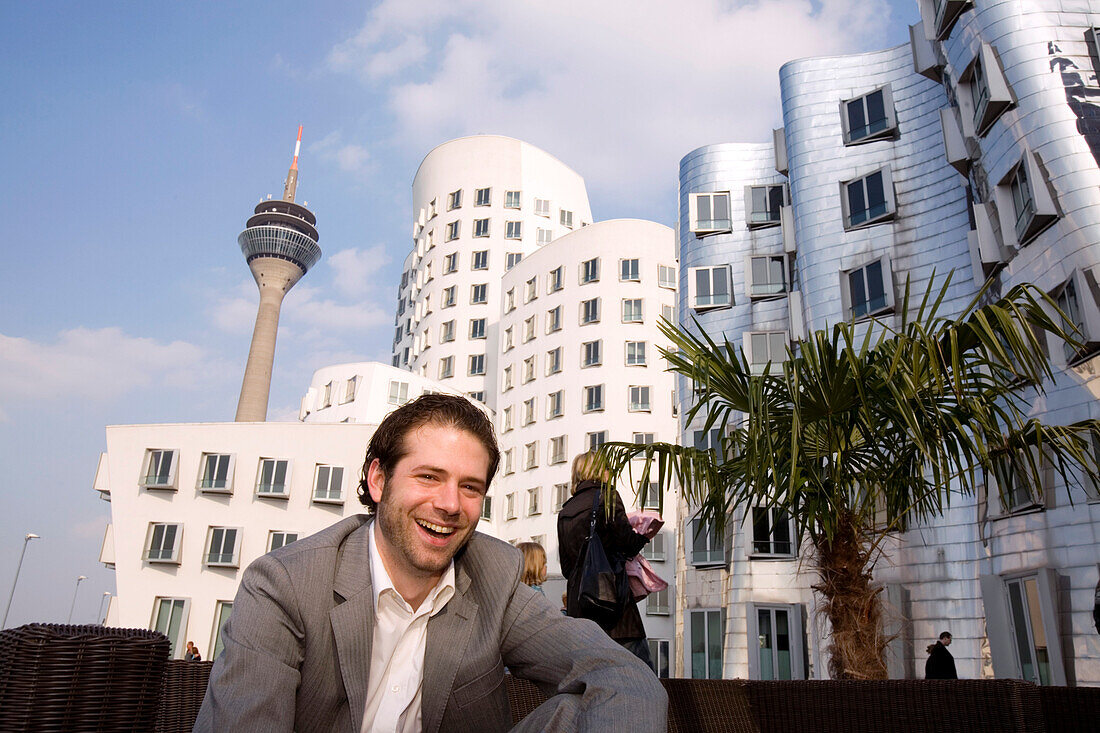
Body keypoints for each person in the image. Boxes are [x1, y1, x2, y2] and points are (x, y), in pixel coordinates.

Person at [195, 394, 665, 732]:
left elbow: (620, 673)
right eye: (428, 476)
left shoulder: (493, 578)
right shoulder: (283, 585)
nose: (449, 504)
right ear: (378, 480)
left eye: (469, 487)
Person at [557, 450, 652, 667]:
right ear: (601, 471)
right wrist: (645, 536)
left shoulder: (566, 510)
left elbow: (566, 568)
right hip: (613, 607)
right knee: (641, 675)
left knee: (591, 677)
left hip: (580, 608)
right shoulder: (607, 497)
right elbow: (626, 543)